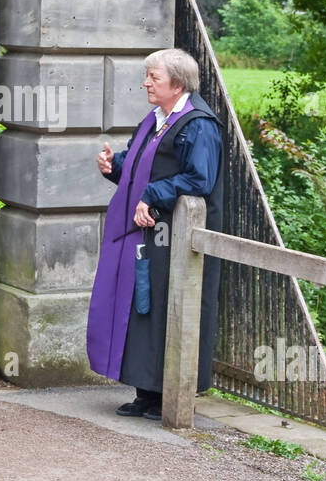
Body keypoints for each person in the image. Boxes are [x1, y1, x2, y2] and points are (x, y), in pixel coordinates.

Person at [87, 48, 224, 419]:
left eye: (154, 77)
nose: (146, 82)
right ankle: (146, 392)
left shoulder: (198, 125)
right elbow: (140, 165)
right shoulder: (156, 118)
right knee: (141, 307)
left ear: (177, 84)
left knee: (165, 305)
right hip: (144, 231)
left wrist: (152, 195)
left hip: (174, 235)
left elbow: (199, 179)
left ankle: (168, 394)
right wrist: (113, 165)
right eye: (147, 76)